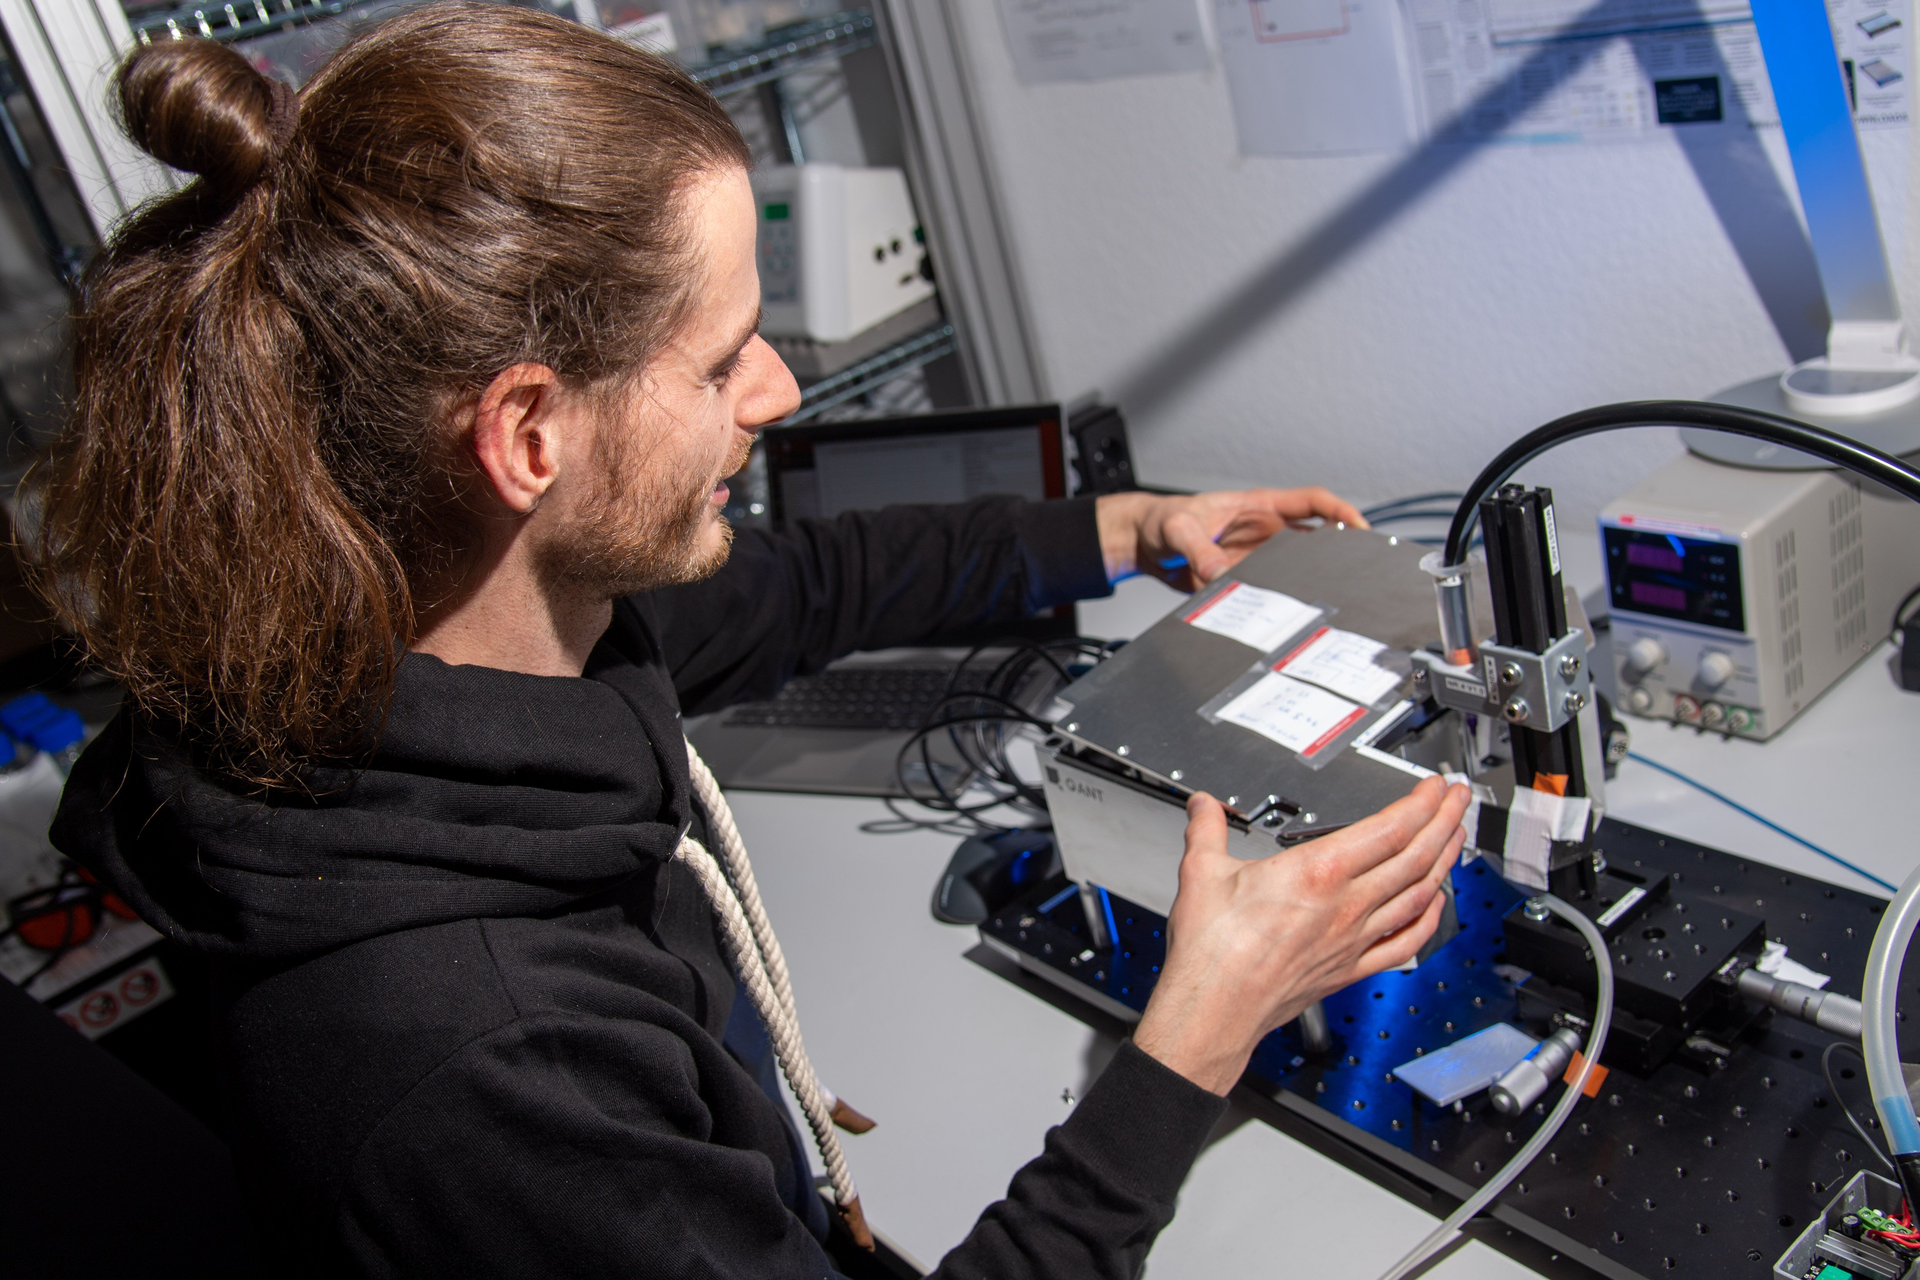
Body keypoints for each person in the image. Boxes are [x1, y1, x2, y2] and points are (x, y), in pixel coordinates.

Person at [34, 6, 1470, 1277]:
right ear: (528, 433)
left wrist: (1138, 526)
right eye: (722, 359)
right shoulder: (488, 1075)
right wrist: (1191, 1046)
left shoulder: (486, 638)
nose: (775, 389)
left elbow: (817, 581)